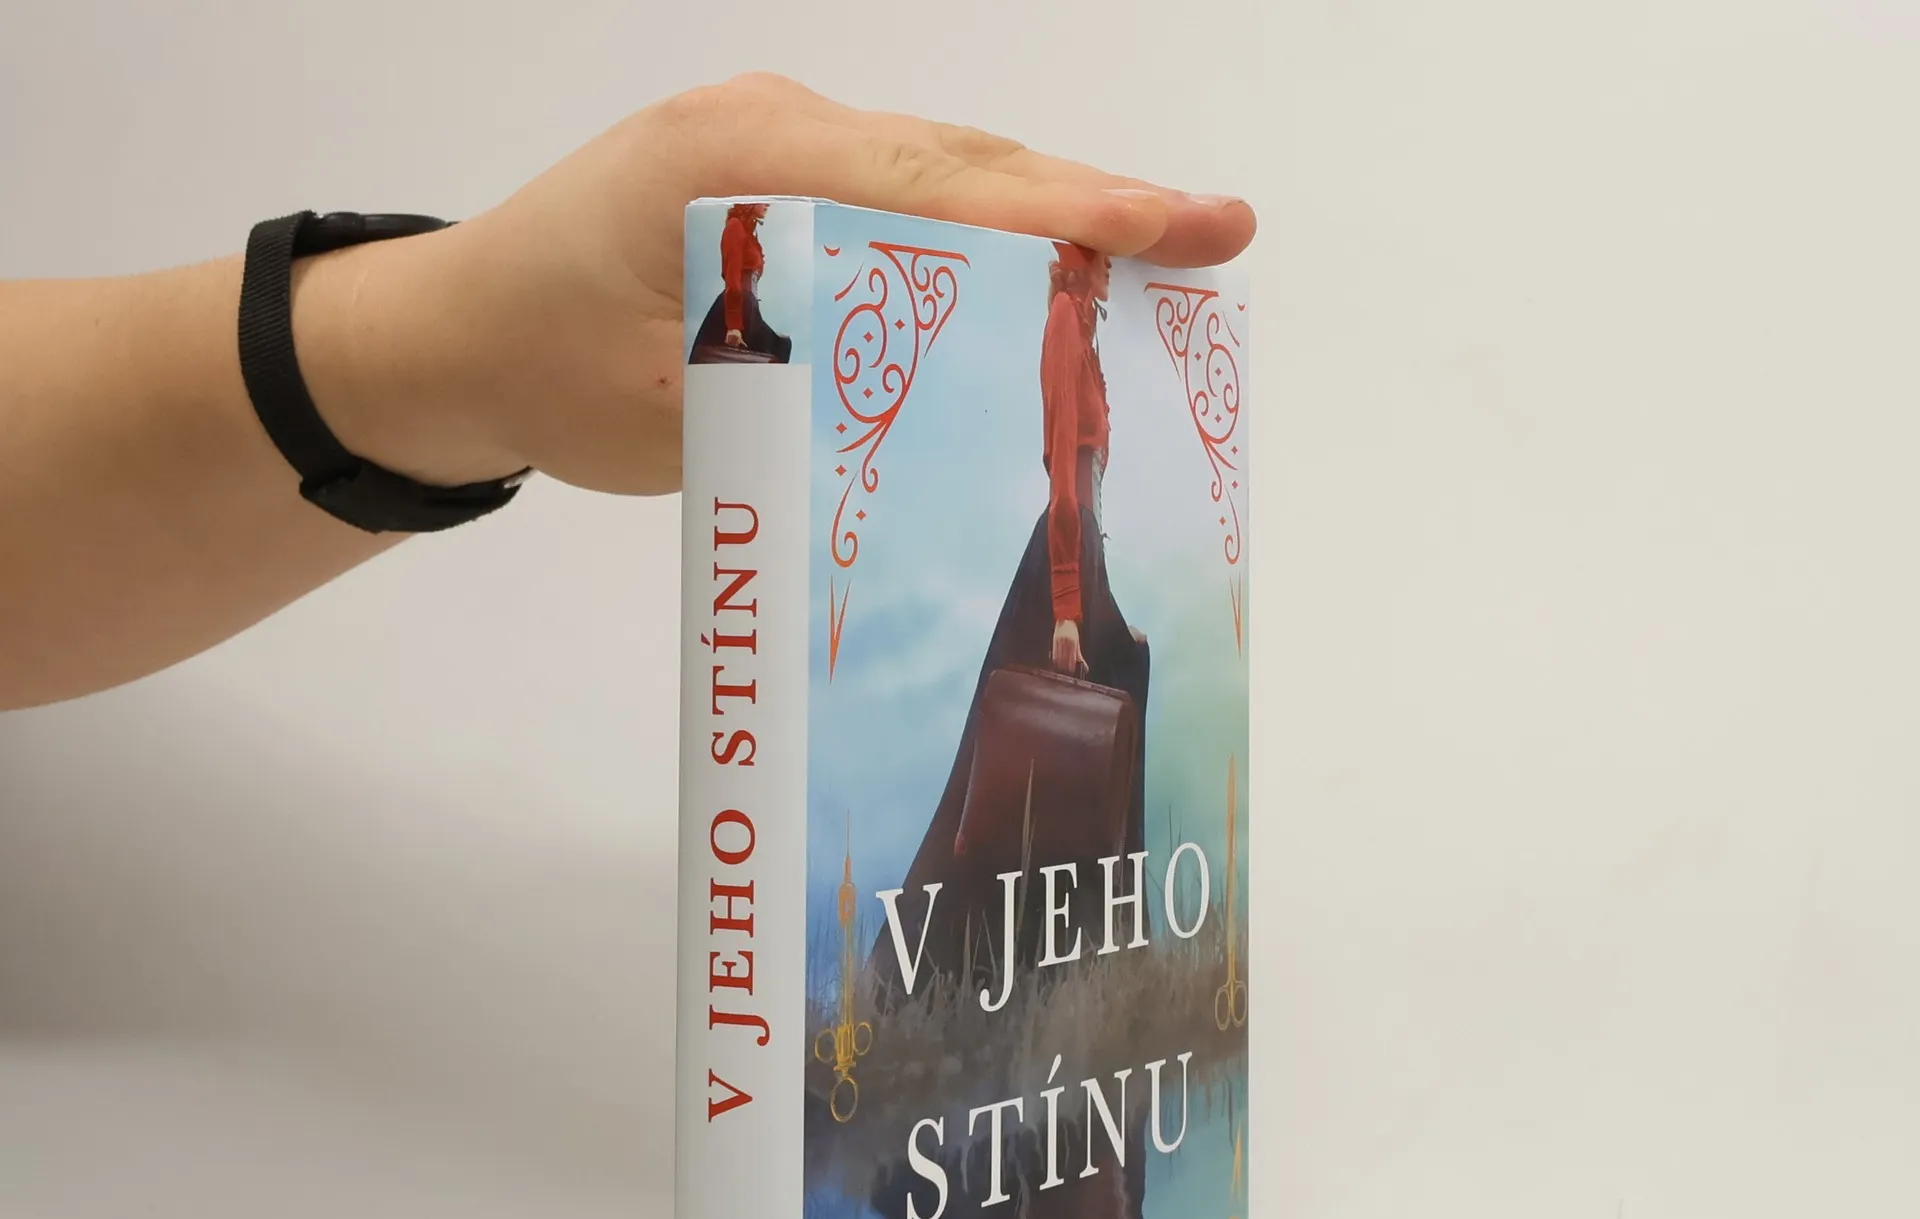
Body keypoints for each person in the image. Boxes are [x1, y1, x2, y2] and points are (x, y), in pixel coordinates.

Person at [0, 73, 1253, 713]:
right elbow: (1062, 481)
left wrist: (462, 338)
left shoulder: (1078, 342)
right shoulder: (1059, 353)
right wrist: (464, 334)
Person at [871, 240, 1148, 997]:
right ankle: (953, 980)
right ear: (1075, 260)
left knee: (1101, 711)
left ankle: (1074, 968)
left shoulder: (1081, 328)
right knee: (1016, 768)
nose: (1113, 265)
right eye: (1101, 254)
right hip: (1065, 556)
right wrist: (1069, 611)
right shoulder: (1063, 322)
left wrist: (1103, 605)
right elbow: (1064, 479)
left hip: (1080, 554)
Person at [688, 202, 792, 363]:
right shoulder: (735, 227)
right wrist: (733, 325)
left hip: (750, 308)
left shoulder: (750, 235)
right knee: (779, 348)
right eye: (763, 200)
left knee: (782, 345)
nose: (768, 204)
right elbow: (732, 278)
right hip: (736, 306)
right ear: (749, 202)